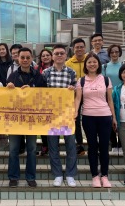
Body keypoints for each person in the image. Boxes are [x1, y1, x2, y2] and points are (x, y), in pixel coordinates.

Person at [74, 52, 116, 188]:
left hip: (105, 116)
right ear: (86, 65)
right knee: (92, 147)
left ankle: (104, 175)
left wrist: (113, 117)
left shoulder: (106, 80)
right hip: (88, 117)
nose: (92, 64)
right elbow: (78, 99)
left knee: (104, 147)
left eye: (94, 62)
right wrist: (75, 112)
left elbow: (110, 100)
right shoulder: (81, 81)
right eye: (89, 62)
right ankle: (95, 176)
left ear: (99, 64)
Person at [6, 47, 47, 188]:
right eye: (22, 57)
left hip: (32, 120)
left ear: (32, 59)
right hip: (15, 120)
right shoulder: (12, 77)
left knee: (31, 149)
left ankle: (31, 177)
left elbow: (45, 96)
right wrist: (8, 89)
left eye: (27, 57)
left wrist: (33, 92)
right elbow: (6, 100)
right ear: (18, 59)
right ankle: (13, 177)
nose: (24, 60)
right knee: (13, 149)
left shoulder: (39, 76)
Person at [42, 44, 77, 187]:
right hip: (52, 115)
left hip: (67, 115)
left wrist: (72, 90)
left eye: (62, 53)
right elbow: (41, 93)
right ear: (52, 56)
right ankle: (57, 174)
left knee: (70, 145)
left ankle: (70, 175)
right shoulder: (46, 72)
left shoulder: (71, 73)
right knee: (53, 146)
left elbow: (77, 93)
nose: (59, 56)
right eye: (56, 53)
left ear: (66, 56)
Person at [65, 38, 87, 156]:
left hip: (89, 95)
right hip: (74, 96)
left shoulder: (89, 60)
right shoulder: (68, 63)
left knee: (89, 119)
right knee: (76, 119)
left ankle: (92, 142)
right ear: (73, 49)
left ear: (85, 48)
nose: (79, 49)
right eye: (77, 47)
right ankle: (79, 144)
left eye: (81, 47)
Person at [103, 44, 123, 155]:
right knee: (110, 120)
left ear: (119, 53)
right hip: (108, 97)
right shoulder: (104, 67)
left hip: (122, 97)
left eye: (116, 52)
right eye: (112, 52)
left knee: (121, 119)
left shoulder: (124, 66)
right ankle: (114, 144)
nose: (114, 54)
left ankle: (121, 143)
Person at [35, 48, 54, 156]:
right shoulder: (37, 69)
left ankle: (52, 146)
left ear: (51, 56)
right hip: (41, 101)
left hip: (55, 101)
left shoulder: (56, 68)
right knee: (43, 124)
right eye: (43, 56)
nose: (45, 57)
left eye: (47, 55)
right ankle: (45, 145)